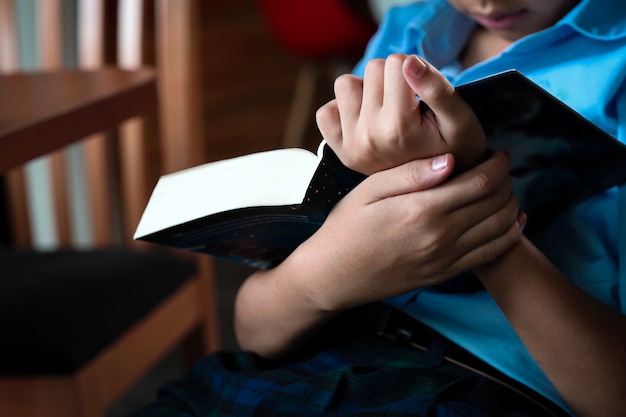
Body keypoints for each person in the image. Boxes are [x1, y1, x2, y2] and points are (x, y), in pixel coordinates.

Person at [131, 0, 626, 416]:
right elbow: (253, 334)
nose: (489, 2)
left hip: (476, 382)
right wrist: (327, 268)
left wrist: (468, 208)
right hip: (319, 348)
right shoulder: (408, 30)